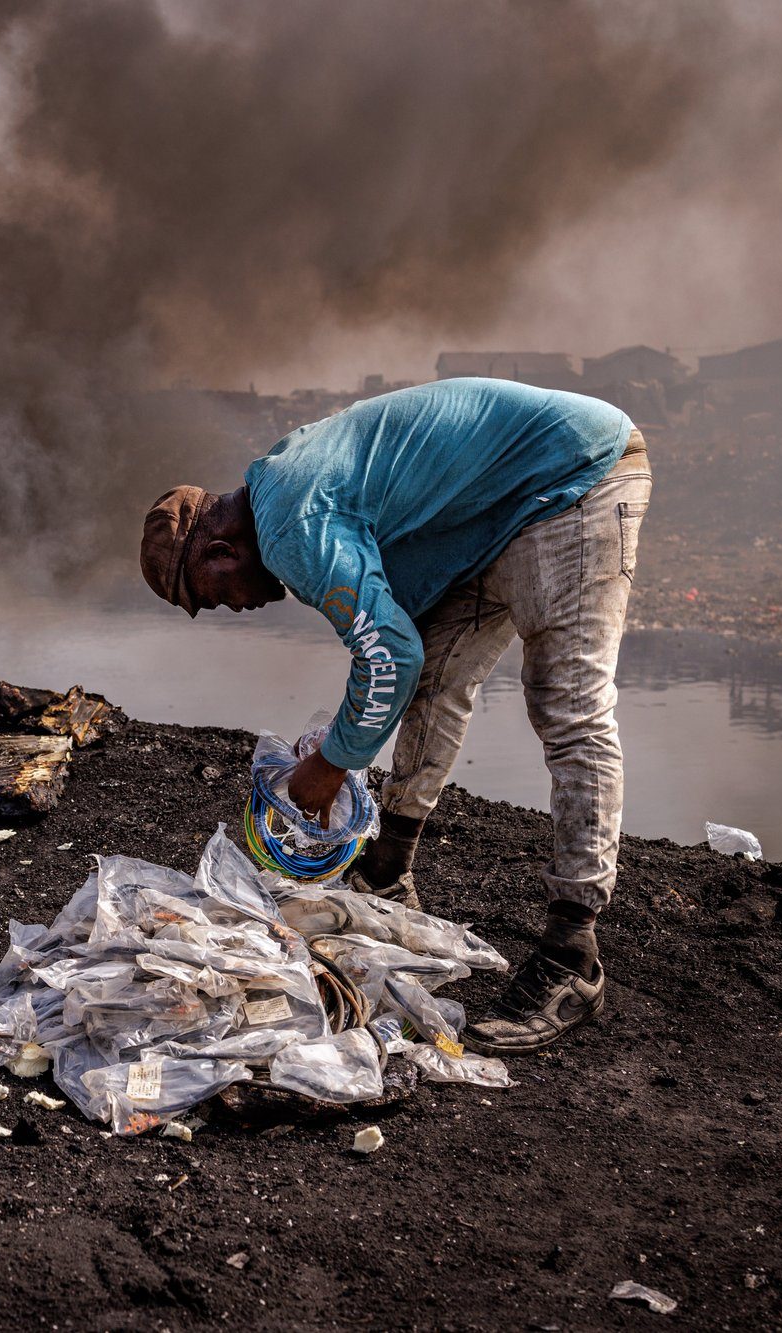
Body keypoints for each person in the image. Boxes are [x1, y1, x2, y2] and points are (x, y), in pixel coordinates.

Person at [139, 378, 651, 1054]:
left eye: (212, 596)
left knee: (568, 705)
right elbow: (404, 652)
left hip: (572, 478)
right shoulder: (281, 484)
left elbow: (387, 659)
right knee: (439, 681)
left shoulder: (291, 524)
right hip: (499, 510)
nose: (230, 607)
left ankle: (571, 954)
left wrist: (328, 766)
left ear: (218, 551)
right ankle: (385, 870)